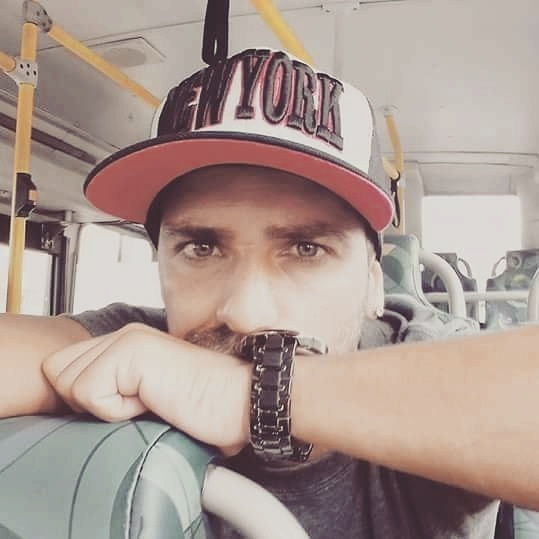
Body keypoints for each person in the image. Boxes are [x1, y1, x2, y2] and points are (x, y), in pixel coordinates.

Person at [1, 47, 538, 537]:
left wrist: (246, 395)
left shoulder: (440, 357)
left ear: (373, 284)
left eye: (305, 249)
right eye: (201, 248)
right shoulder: (141, 344)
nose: (245, 311)